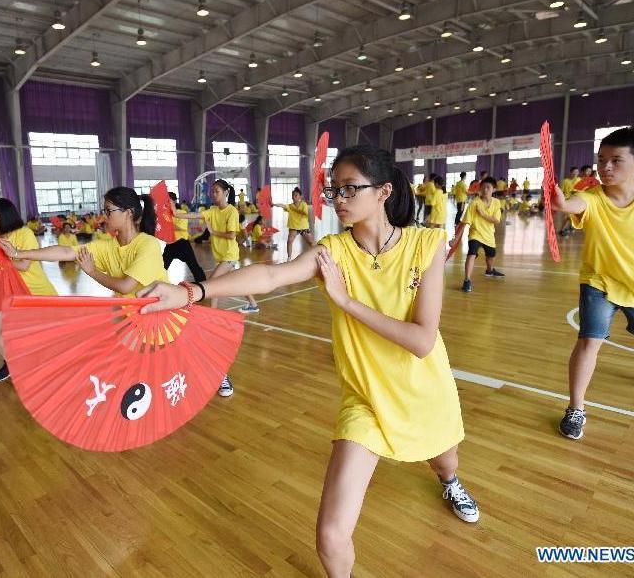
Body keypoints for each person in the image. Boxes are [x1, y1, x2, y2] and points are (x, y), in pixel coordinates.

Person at [139, 145, 480, 577]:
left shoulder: (425, 245)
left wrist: (346, 301)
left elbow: (422, 340)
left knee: (445, 462)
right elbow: (270, 275)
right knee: (331, 536)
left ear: (383, 192)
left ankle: (449, 484)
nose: (338, 199)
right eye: (333, 189)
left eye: (349, 189)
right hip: (367, 400)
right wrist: (190, 292)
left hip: (425, 391)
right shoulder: (332, 251)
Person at [549, 127, 634, 440]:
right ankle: (576, 408)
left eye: (615, 160)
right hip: (599, 281)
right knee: (589, 341)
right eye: (601, 160)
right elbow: (575, 205)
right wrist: (562, 205)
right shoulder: (591, 197)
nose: (605, 167)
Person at [0, 186, 168, 298]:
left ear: (129, 213)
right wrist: (17, 253)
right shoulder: (107, 246)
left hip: (157, 321)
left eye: (108, 211)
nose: (104, 216)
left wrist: (93, 271)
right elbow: (66, 252)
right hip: (131, 317)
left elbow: (125, 287)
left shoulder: (148, 244)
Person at [176, 179, 260, 396]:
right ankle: (253, 304)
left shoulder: (231, 211)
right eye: (212, 191)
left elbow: (232, 235)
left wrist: (213, 232)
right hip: (221, 256)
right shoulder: (211, 210)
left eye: (216, 191)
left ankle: (210, 317)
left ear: (226, 193)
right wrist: (175, 214)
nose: (213, 194)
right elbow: (194, 215)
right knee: (234, 283)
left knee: (212, 284)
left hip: (230, 256)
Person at [0, 198, 57, 383]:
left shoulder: (23, 233)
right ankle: (14, 364)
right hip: (6, 292)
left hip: (34, 293)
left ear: (4, 217)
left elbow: (24, 265)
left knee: (41, 338)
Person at [456, 177, 504, 293]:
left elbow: (496, 220)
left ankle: (489, 270)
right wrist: (455, 239)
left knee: (491, 255)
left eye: (488, 187)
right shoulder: (474, 203)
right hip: (475, 233)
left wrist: (482, 214)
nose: (485, 190)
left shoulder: (496, 203)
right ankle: (467, 280)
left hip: (489, 235)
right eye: (483, 187)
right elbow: (464, 222)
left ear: (494, 189)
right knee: (471, 254)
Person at [163, 191, 206, 283]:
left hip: (182, 244)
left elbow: (181, 228)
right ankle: (156, 284)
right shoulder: (164, 215)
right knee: (161, 267)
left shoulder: (181, 212)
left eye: (169, 201)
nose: (166, 203)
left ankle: (204, 285)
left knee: (194, 266)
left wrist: (167, 225)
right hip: (170, 244)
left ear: (174, 202)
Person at [274, 187, 316, 261]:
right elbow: (283, 205)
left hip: (303, 227)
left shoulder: (303, 204)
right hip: (294, 227)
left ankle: (316, 255)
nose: (293, 197)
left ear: (300, 196)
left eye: (296, 195)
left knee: (311, 243)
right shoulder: (290, 206)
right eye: (293, 195)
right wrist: (274, 204)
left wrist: (296, 210)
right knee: (289, 241)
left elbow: (305, 213)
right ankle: (289, 258)